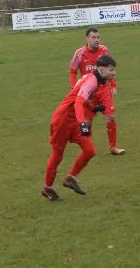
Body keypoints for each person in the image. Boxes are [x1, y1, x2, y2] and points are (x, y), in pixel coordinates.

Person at [42, 54, 117, 202]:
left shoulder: (95, 78)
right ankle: (48, 188)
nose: (114, 73)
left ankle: (70, 179)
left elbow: (80, 97)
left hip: (74, 119)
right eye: (111, 70)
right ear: (101, 69)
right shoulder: (92, 81)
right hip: (62, 120)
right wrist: (83, 124)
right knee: (57, 156)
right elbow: (77, 103)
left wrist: (93, 108)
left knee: (90, 151)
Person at [69, 27, 125, 155]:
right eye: (93, 37)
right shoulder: (80, 53)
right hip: (88, 93)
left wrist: (113, 85)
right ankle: (87, 149)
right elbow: (72, 72)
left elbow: (110, 68)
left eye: (98, 37)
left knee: (111, 117)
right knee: (88, 122)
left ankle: (113, 147)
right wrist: (75, 89)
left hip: (103, 89)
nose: (96, 40)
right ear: (87, 38)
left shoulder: (104, 50)